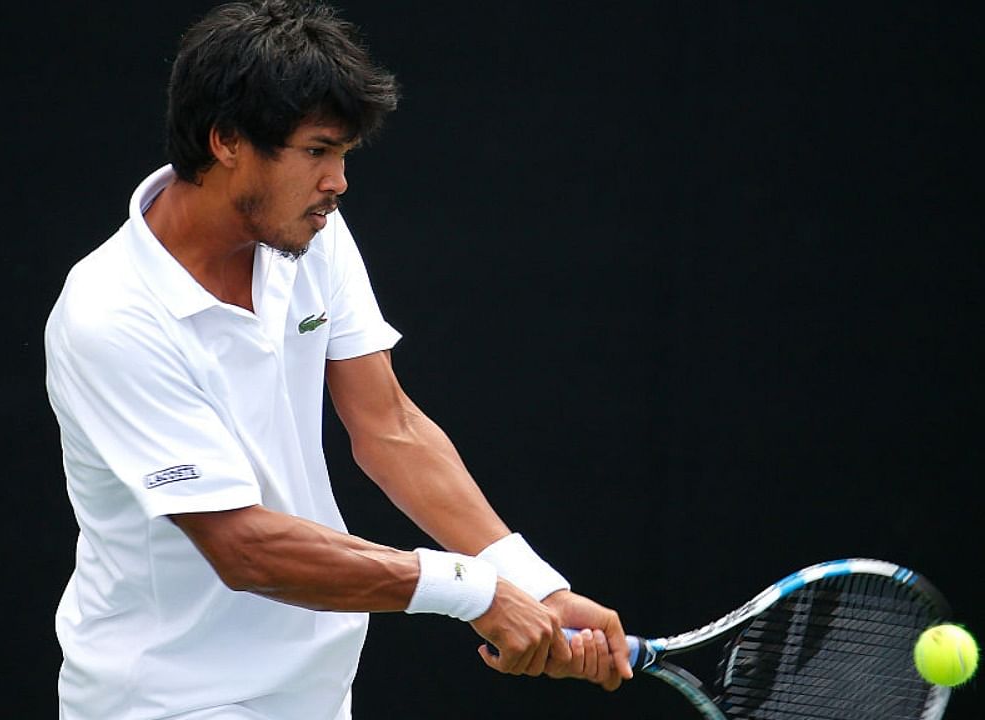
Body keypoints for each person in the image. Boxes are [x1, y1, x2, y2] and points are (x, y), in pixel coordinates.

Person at [43, 1, 632, 718]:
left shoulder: (310, 232)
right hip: (165, 702)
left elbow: (391, 428)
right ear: (227, 140)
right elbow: (244, 548)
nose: (338, 183)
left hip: (313, 695)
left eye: (344, 156)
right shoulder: (112, 313)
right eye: (318, 151)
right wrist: (471, 590)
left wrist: (533, 583)